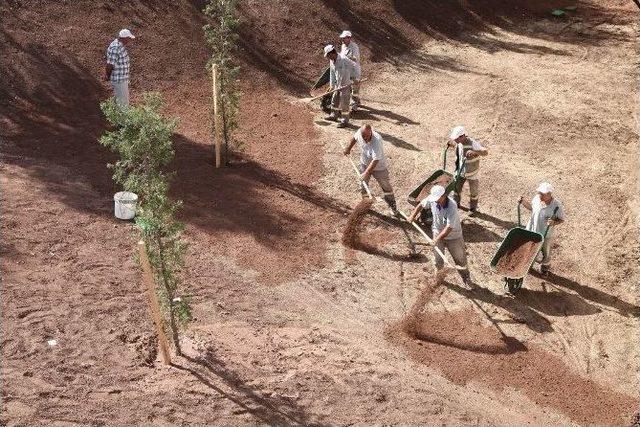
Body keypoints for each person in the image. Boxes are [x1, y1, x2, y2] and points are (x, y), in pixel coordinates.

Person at [408, 185, 472, 284]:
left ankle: (466, 278)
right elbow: (421, 205)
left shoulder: (452, 206)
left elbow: (448, 228)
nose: (436, 201)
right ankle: (439, 276)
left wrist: (436, 239)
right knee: (438, 259)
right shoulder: (433, 199)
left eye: (438, 199)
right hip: (437, 231)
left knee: (460, 259)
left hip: (454, 236)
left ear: (444, 195)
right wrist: (412, 215)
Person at [343, 124, 397, 213]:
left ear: (371, 132)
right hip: (364, 163)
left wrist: (366, 173)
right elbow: (354, 138)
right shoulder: (360, 133)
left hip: (379, 167)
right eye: (363, 136)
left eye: (367, 136)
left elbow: (375, 160)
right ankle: (366, 203)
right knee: (363, 185)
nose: (364, 138)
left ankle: (392, 205)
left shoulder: (377, 140)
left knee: (385, 185)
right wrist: (348, 148)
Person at [519, 182, 565, 275]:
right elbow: (532, 208)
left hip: (546, 234)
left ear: (549, 194)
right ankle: (528, 266)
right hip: (532, 230)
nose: (539, 195)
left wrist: (553, 223)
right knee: (530, 251)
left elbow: (561, 219)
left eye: (542, 194)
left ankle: (545, 268)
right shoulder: (537, 198)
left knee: (546, 252)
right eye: (539, 192)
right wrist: (523, 202)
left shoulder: (556, 205)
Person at [448, 125, 488, 214]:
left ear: (462, 136)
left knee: (473, 191)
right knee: (456, 188)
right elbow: (459, 150)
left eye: (456, 139)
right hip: (460, 171)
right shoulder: (459, 143)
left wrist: (475, 152)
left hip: (472, 173)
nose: (455, 140)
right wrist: (452, 145)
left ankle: (472, 209)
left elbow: (485, 152)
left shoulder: (472, 142)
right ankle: (455, 204)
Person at [323, 44, 357, 128]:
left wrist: (355, 78)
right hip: (337, 85)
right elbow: (332, 73)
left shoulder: (344, 59)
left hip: (345, 85)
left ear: (332, 53)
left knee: (345, 104)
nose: (328, 57)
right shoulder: (332, 61)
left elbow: (354, 67)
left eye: (328, 55)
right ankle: (333, 115)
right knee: (334, 100)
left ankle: (345, 121)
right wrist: (332, 85)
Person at [105, 29, 135, 108]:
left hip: (122, 79)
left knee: (121, 101)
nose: (130, 40)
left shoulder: (120, 45)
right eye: (129, 38)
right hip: (119, 80)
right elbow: (110, 65)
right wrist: (107, 76)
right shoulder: (115, 48)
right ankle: (123, 119)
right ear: (124, 38)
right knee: (123, 104)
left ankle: (118, 117)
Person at [339, 30, 361, 110]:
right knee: (350, 87)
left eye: (344, 38)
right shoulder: (343, 46)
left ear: (349, 38)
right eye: (342, 38)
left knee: (355, 88)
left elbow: (356, 58)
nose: (343, 40)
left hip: (354, 70)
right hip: (347, 70)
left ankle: (354, 105)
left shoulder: (354, 46)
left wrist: (347, 58)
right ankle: (357, 101)